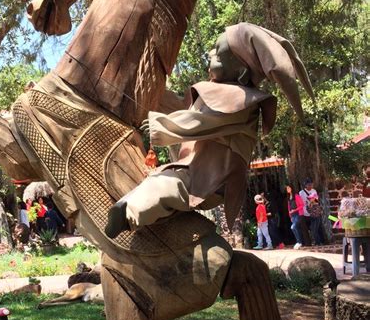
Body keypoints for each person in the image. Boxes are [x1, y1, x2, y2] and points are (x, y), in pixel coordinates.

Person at [105, 22, 314, 239]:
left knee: (165, 186)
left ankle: (125, 213)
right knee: (166, 182)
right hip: (193, 165)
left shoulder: (243, 102)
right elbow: (182, 108)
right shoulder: (214, 90)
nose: (211, 53)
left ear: (241, 73)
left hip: (212, 179)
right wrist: (154, 96)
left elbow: (203, 121)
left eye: (219, 54)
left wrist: (162, 125)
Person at [299, 179, 320, 245]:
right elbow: (300, 203)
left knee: (314, 228)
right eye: (309, 185)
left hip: (314, 212)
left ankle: (317, 242)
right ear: (305, 185)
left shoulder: (314, 191)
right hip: (305, 213)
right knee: (307, 229)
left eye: (311, 184)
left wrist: (312, 201)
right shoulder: (301, 193)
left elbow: (316, 201)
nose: (310, 186)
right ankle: (309, 242)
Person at [286, 184, 305, 249]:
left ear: (292, 188)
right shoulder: (289, 197)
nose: (287, 189)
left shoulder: (296, 196)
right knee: (297, 228)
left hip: (298, 214)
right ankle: (299, 241)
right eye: (287, 188)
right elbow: (289, 207)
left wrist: (295, 210)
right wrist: (290, 216)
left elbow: (302, 204)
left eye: (288, 188)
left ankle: (299, 242)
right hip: (293, 215)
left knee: (293, 227)